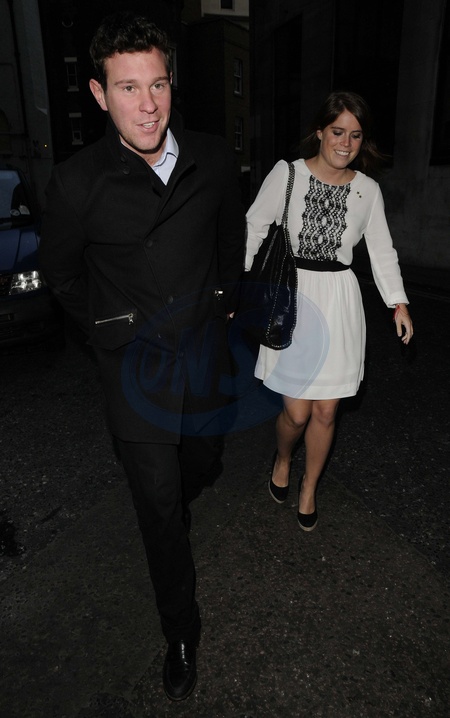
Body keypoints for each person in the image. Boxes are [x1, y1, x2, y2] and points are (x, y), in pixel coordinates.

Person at [39, 11, 245, 702]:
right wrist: (112, 330)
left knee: (202, 464)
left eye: (157, 84)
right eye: (128, 88)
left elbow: (230, 237)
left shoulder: (212, 157)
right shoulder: (76, 183)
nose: (148, 103)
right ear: (100, 94)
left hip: (205, 353)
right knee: (158, 508)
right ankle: (180, 631)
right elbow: (62, 276)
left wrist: (225, 302)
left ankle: (183, 488)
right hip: (135, 367)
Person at [244, 91, 413, 532]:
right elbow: (254, 227)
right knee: (297, 414)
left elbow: (382, 251)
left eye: (355, 135)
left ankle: (309, 487)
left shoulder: (368, 191)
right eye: (338, 132)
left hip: (340, 302)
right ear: (319, 132)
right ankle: (284, 457)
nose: (346, 143)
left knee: (325, 412)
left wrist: (398, 302)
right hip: (292, 299)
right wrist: (239, 289)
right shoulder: (287, 174)